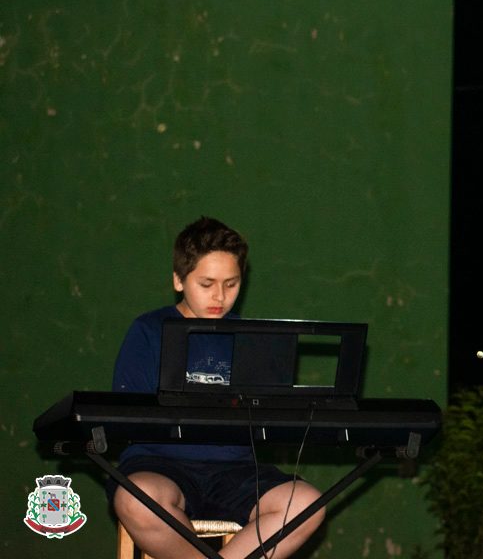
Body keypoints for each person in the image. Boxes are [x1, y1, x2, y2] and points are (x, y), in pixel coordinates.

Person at [108, 216, 326, 559]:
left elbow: (271, 419)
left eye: (232, 283)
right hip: (160, 465)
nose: (220, 297)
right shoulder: (149, 330)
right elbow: (126, 414)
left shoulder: (254, 337)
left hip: (235, 471)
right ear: (179, 280)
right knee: (135, 498)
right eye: (207, 283)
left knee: (307, 504)